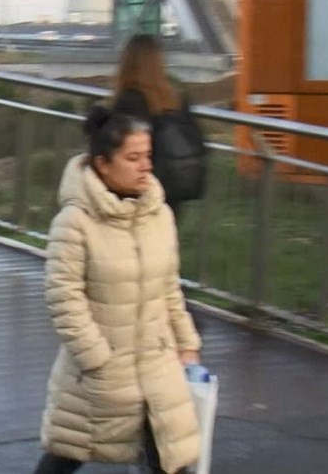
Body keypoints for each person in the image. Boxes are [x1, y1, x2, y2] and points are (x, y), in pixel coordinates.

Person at [36, 106, 202, 474]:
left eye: (147, 157)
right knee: (69, 449)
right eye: (133, 158)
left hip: (157, 365)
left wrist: (187, 342)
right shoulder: (75, 222)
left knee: (170, 456)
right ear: (103, 164)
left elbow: (169, 287)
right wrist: (96, 356)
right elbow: (63, 297)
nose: (145, 166)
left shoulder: (159, 215)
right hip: (102, 370)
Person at [111, 34, 206, 222]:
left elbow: (116, 145)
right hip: (172, 190)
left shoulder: (129, 101)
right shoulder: (177, 97)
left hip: (140, 188)